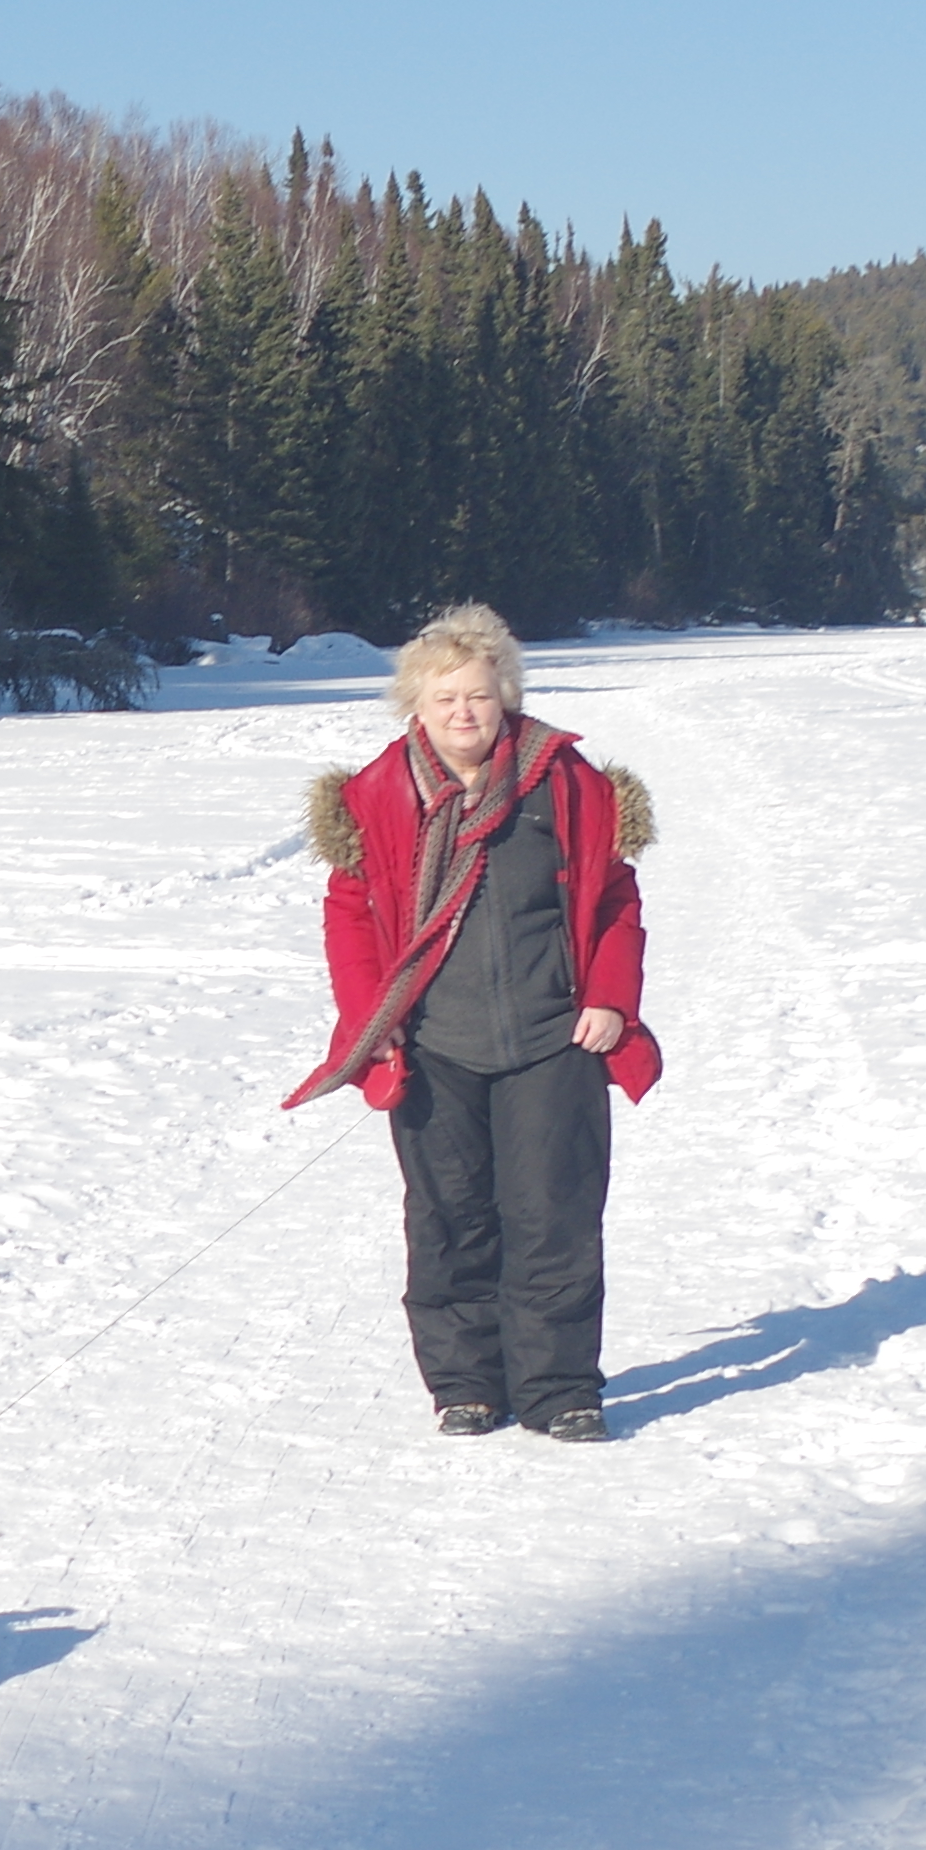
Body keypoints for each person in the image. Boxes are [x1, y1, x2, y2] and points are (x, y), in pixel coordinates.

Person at [281, 603, 661, 1443]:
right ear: (416, 706)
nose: (465, 713)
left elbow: (615, 899)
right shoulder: (374, 797)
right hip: (433, 1045)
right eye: (446, 698)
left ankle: (561, 1390)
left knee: (554, 1216)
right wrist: (369, 1020)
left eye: (480, 697)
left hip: (552, 1040)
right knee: (449, 1217)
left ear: (507, 699)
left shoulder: (567, 783)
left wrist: (608, 995)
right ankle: (467, 1384)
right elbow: (350, 914)